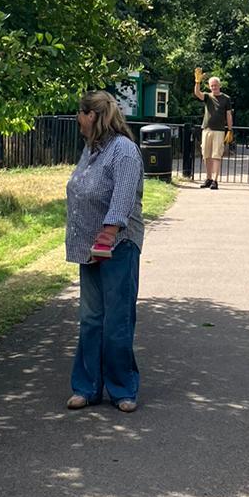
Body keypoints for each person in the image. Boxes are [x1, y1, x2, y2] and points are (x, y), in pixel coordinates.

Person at [65, 91, 145, 414]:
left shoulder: (123, 150)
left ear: (93, 116)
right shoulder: (91, 149)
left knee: (117, 319)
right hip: (89, 247)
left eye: (81, 113)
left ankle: (122, 388)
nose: (78, 120)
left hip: (117, 246)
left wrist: (108, 234)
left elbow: (123, 197)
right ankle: (86, 387)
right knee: (90, 318)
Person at [192, 71, 234, 189]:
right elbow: (197, 93)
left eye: (215, 85)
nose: (214, 87)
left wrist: (230, 129)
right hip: (206, 129)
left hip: (219, 130)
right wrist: (197, 82)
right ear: (209, 87)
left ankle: (215, 180)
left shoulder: (226, 98)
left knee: (216, 155)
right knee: (206, 155)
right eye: (211, 86)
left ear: (219, 85)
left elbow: (228, 114)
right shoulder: (207, 96)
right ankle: (208, 178)